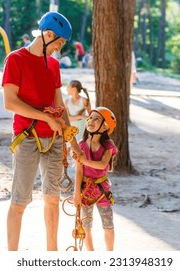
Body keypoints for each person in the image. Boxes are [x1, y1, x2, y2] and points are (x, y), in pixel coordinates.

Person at [2, 11, 80, 251]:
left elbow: (60, 104)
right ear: (47, 35)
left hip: (55, 140)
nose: (58, 49)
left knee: (52, 199)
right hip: (26, 139)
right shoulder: (15, 60)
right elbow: (10, 102)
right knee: (19, 202)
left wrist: (72, 141)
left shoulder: (54, 65)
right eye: (57, 43)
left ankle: (51, 255)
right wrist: (45, 118)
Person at [73, 107, 118, 251]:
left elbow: (103, 164)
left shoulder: (107, 145)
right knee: (85, 226)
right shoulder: (81, 145)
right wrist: (76, 194)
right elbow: (79, 171)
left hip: (102, 190)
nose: (91, 121)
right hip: (85, 191)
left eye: (96, 119)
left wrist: (82, 160)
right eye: (90, 118)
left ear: (105, 126)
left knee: (108, 226)